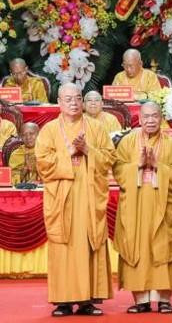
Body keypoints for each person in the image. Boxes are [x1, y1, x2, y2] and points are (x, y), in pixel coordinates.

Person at [35, 83, 114, 316]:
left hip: (89, 196)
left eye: (77, 98)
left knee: (89, 243)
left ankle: (88, 300)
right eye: (68, 99)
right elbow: (42, 163)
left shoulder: (96, 127)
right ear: (59, 102)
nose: (74, 103)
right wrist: (68, 153)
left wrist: (88, 150)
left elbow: (109, 158)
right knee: (64, 247)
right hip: (63, 197)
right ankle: (63, 301)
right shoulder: (49, 130)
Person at [113, 101, 172, 314]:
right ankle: (140, 299)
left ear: (161, 118)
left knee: (162, 245)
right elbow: (118, 170)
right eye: (146, 117)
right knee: (137, 246)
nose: (151, 120)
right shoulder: (128, 142)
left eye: (155, 116)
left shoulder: (171, 143)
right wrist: (137, 165)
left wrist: (157, 167)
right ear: (140, 118)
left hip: (161, 204)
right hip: (136, 204)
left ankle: (164, 298)